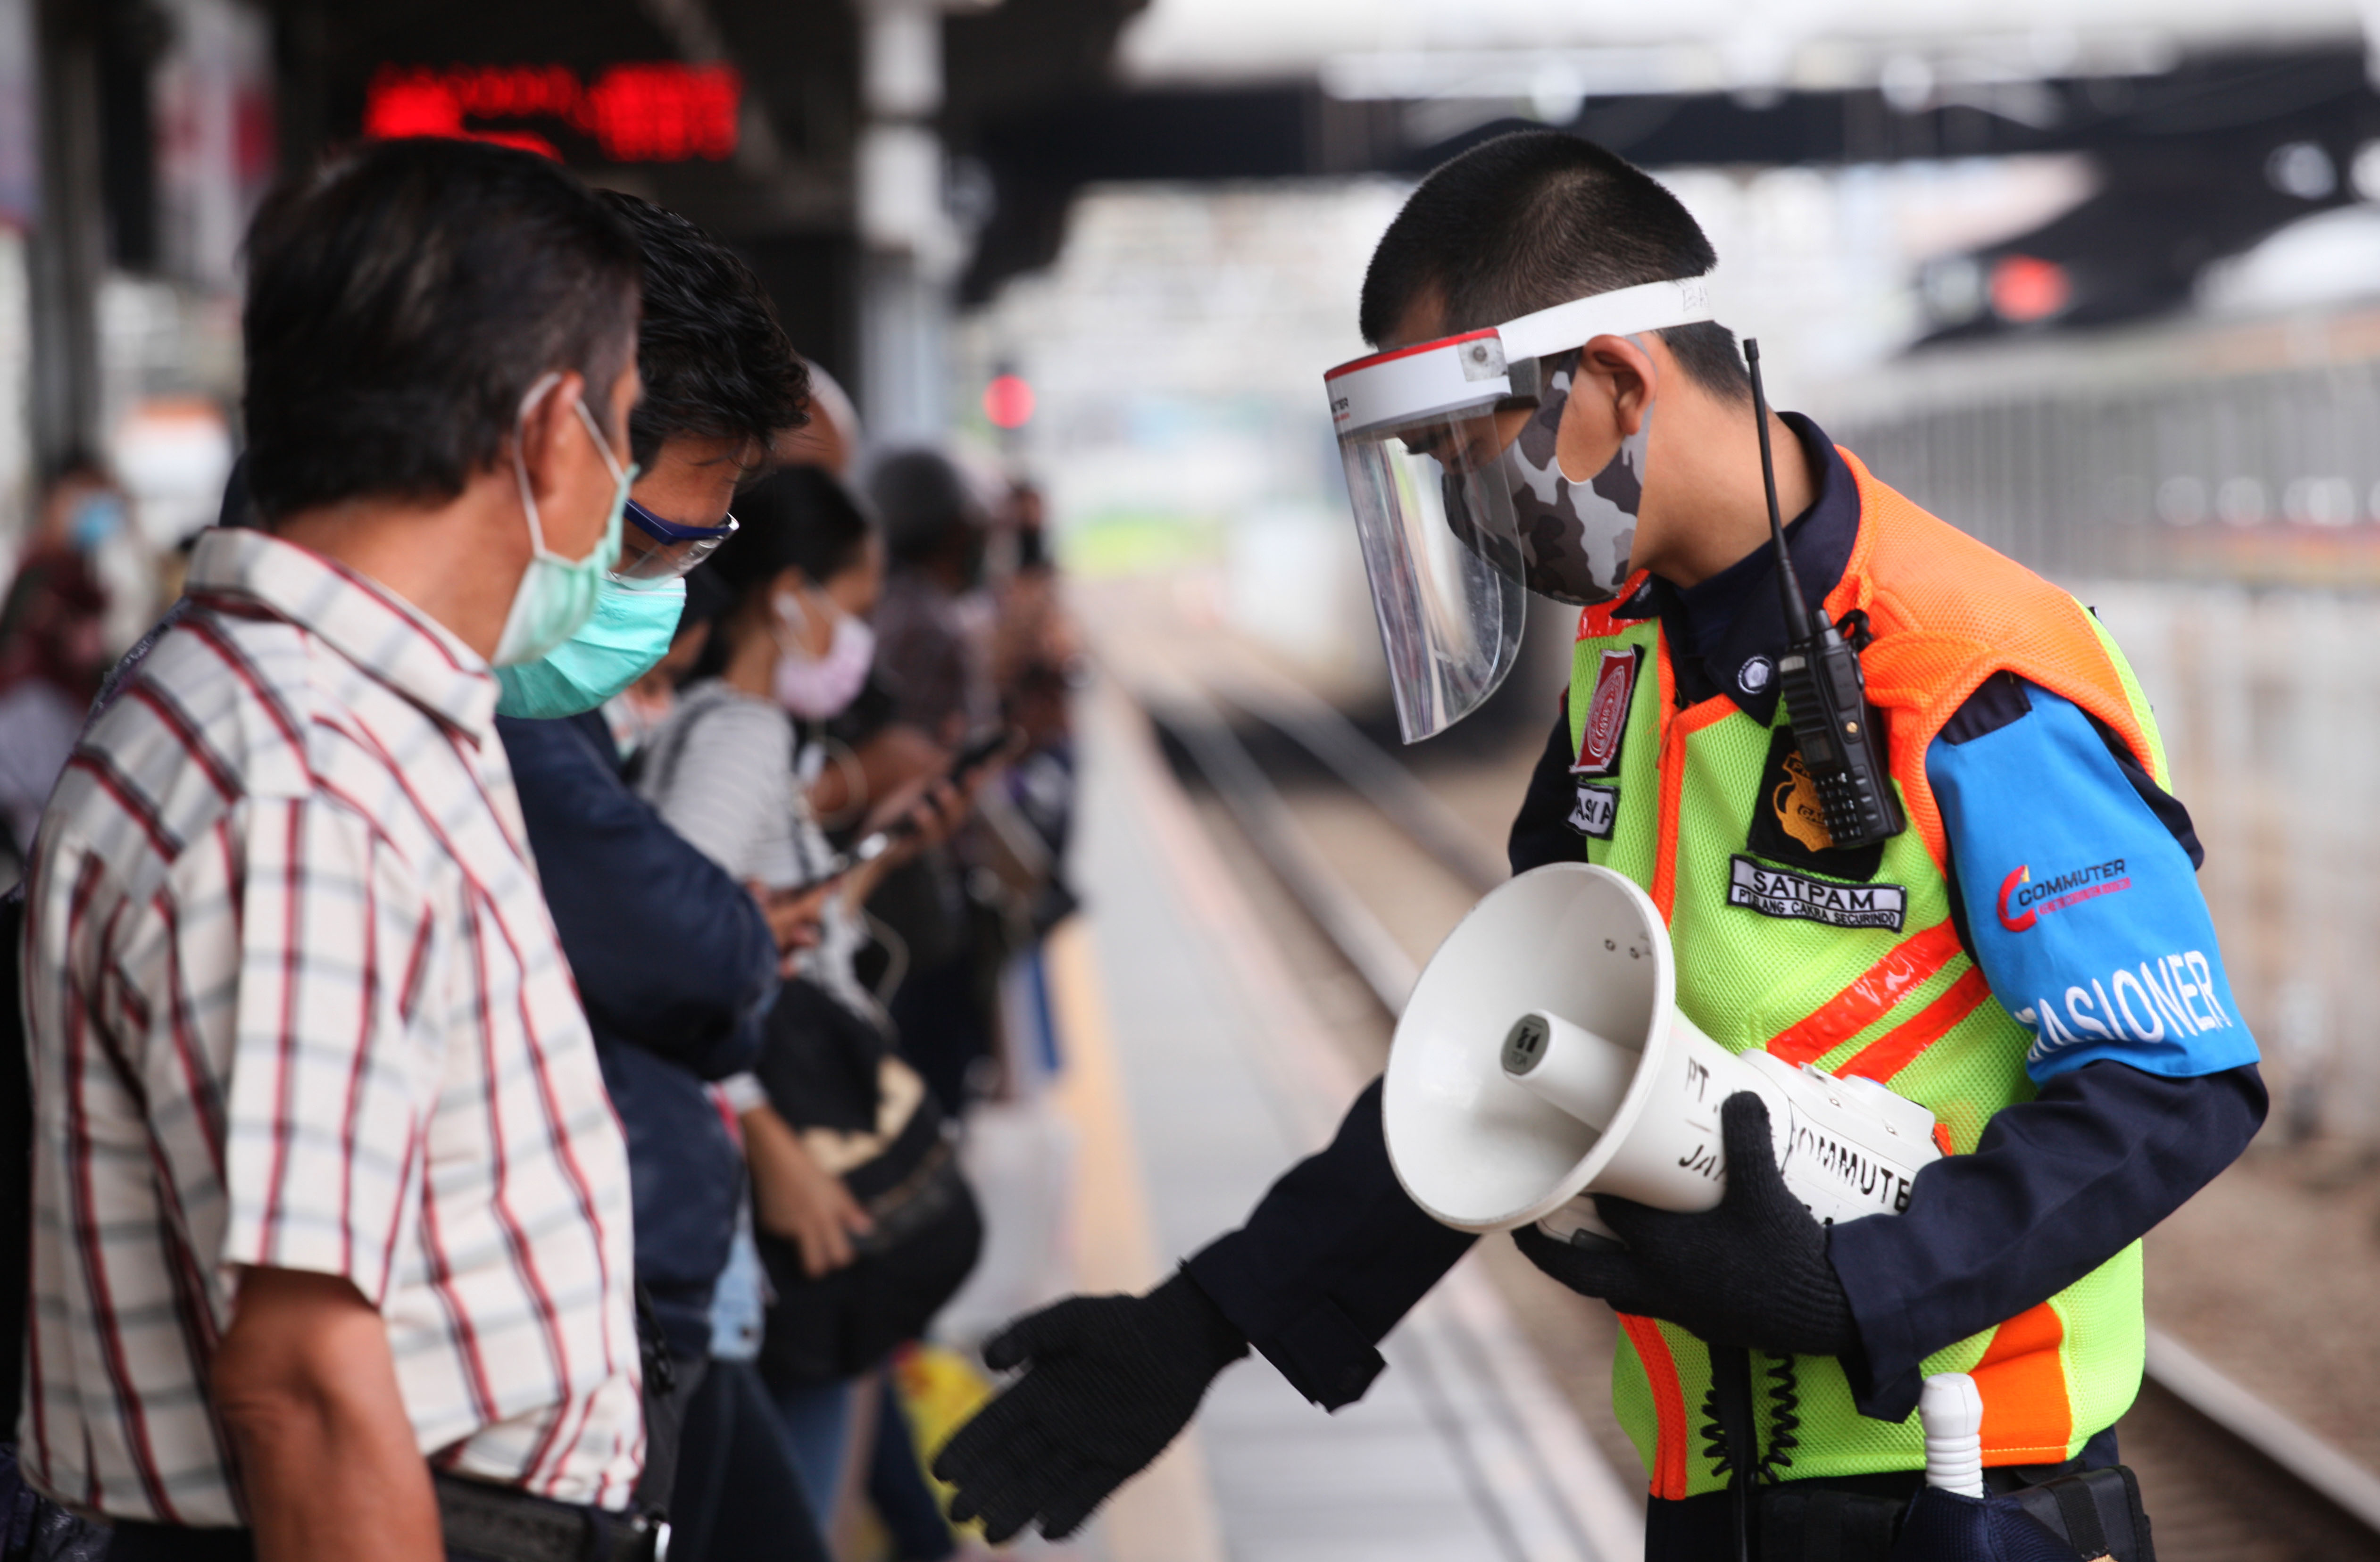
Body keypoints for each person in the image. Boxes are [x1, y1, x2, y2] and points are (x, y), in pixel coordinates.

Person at [933, 130, 2268, 1560]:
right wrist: (1202, 1322)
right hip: (1705, 1504)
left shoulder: (1966, 667)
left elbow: (2165, 1087)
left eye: (1470, 450)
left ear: (1616, 385)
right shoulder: (1622, 668)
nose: (1463, 505)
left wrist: (1861, 1287)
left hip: (1967, 1506)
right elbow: (1509, 1055)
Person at [19, 139, 653, 1561]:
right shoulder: (305, 781)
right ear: (553, 430)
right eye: (623, 423)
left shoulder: (320, 714)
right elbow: (301, 1385)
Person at [485, 191, 829, 1562]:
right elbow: (689, 955)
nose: (660, 591)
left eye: (700, 553)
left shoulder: (501, 675)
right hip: (563, 1354)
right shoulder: (424, 700)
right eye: (645, 546)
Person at [638, 468, 983, 1539]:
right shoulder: (739, 737)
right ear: (789, 597)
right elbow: (675, 950)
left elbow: (758, 925)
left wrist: (875, 862)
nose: (860, 639)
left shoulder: (736, 732)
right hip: (758, 1191)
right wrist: (764, 1133)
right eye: (855, 606)